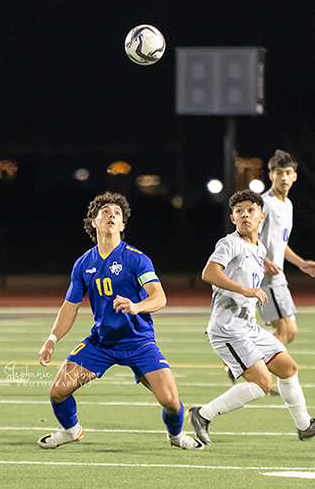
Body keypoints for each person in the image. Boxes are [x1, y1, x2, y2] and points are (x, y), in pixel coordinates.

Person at [37, 192, 203, 450]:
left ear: (123, 225)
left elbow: (159, 297)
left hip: (139, 343)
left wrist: (137, 306)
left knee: (171, 401)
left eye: (117, 213)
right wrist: (51, 339)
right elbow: (70, 307)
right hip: (102, 343)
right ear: (94, 222)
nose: (111, 215)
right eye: (105, 212)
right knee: (57, 391)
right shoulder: (83, 264)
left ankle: (175, 436)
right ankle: (71, 430)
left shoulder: (136, 258)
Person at [188, 189, 315, 445]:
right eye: (239, 211)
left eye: (250, 210)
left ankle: (305, 426)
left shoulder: (259, 248)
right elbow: (209, 273)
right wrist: (244, 291)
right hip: (230, 330)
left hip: (248, 327)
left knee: (288, 368)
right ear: (233, 218)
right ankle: (202, 415)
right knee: (262, 384)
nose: (245, 215)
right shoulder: (230, 243)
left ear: (261, 216)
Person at [257, 149, 315, 346]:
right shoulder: (264, 203)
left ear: (294, 176)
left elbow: (280, 244)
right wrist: (264, 260)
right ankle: (246, 364)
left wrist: (301, 263)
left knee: (289, 333)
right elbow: (247, 239)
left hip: (277, 275)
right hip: (263, 276)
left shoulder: (287, 205)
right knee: (284, 331)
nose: (284, 177)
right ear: (271, 176)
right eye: (279, 173)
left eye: (287, 173)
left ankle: (244, 357)